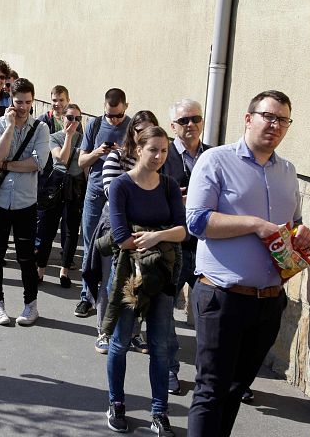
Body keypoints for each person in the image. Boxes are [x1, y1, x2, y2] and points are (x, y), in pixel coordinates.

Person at [185, 90, 310, 436]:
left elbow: (295, 221)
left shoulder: (287, 171)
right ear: (248, 118)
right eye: (268, 116)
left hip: (268, 302)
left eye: (283, 120)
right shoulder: (215, 160)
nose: (275, 125)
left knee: (233, 391)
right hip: (222, 297)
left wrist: (302, 233)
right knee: (211, 391)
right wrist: (254, 224)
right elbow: (196, 222)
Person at [102, 126, 187, 436]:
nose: (159, 156)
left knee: (160, 347)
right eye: (153, 150)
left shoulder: (167, 184)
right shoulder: (122, 186)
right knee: (121, 342)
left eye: (164, 151)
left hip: (163, 276)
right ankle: (117, 404)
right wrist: (156, 239)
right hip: (129, 276)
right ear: (138, 149)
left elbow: (182, 231)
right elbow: (122, 238)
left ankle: (159, 412)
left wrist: (155, 236)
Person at [0, 78, 50, 326]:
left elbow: (37, 163)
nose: (23, 107)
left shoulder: (40, 129)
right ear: (10, 100)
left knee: (26, 257)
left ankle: (30, 305)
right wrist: (10, 127)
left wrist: (8, 165)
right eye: (18, 102)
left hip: (26, 201)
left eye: (28, 102)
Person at [97, 110, 160, 355]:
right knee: (110, 280)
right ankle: (104, 331)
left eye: (150, 129)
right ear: (131, 133)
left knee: (138, 281)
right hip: (115, 228)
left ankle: (133, 332)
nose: (144, 135)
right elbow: (114, 197)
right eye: (139, 130)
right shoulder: (116, 158)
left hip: (145, 231)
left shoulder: (156, 162)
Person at [162, 98, 210, 395]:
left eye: (195, 119)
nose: (191, 125)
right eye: (184, 121)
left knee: (211, 316)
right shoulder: (163, 155)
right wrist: (172, 201)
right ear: (173, 127)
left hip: (206, 248)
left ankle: (215, 375)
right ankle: (169, 368)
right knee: (166, 310)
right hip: (173, 245)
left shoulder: (213, 156)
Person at [75, 89, 131, 319]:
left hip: (122, 197)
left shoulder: (133, 127)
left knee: (117, 249)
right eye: (110, 115)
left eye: (118, 116)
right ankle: (86, 297)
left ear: (126, 107)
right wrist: (99, 152)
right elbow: (81, 162)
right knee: (90, 247)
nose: (114, 120)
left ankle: (108, 300)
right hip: (96, 193)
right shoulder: (95, 125)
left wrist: (122, 153)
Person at [34, 103, 87, 288]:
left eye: (77, 119)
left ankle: (64, 272)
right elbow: (61, 159)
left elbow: (85, 166)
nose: (73, 122)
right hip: (56, 184)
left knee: (71, 230)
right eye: (70, 117)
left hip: (75, 186)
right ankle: (40, 270)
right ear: (63, 118)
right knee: (48, 229)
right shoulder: (54, 137)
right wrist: (68, 137)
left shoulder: (84, 139)